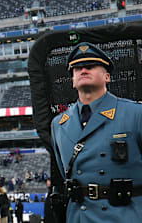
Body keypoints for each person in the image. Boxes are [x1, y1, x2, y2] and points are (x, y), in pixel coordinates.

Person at [51, 41, 142, 221]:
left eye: (91, 66)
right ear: (73, 81)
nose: (83, 71)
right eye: (77, 69)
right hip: (79, 216)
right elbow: (65, 172)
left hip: (126, 215)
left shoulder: (135, 114)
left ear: (107, 77)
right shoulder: (58, 124)